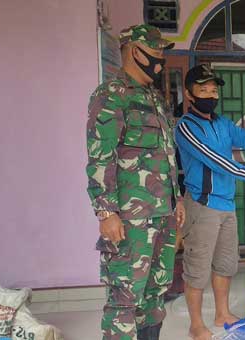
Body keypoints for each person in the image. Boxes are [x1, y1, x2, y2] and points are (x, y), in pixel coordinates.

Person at [86, 24, 185, 340]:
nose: (159, 60)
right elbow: (101, 156)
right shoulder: (111, 95)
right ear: (133, 51)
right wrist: (106, 212)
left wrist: (176, 199)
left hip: (163, 213)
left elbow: (166, 155)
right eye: (154, 53)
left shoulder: (154, 97)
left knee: (155, 292)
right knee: (125, 298)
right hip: (130, 219)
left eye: (160, 54)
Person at [173, 64, 245, 340]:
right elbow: (218, 161)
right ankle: (196, 325)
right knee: (197, 270)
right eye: (203, 89)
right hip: (202, 205)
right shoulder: (185, 127)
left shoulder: (222, 124)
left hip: (227, 205)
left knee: (225, 264)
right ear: (189, 94)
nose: (210, 94)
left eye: (213, 89)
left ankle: (222, 313)